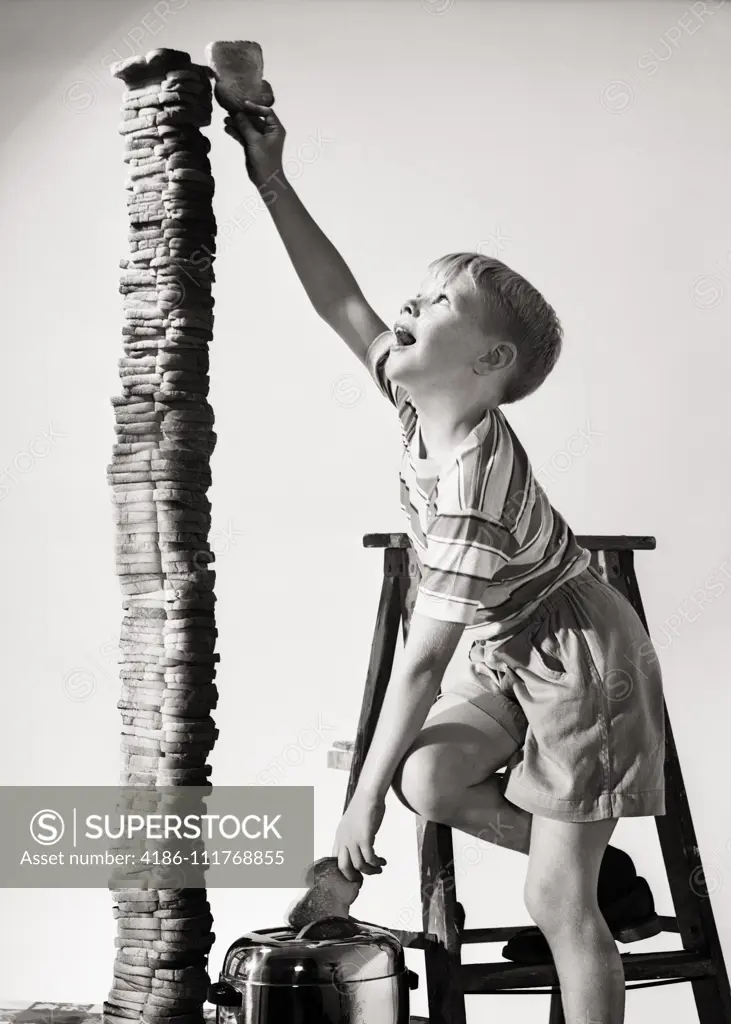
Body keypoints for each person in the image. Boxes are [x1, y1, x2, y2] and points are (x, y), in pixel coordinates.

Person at [223, 98, 666, 1024]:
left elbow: (422, 663)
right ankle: (597, 862)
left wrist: (358, 806)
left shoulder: (472, 483)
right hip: (518, 648)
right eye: (415, 295)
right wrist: (270, 178)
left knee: (554, 904)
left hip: (586, 663)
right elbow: (339, 300)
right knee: (433, 779)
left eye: (438, 305)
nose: (408, 307)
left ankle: (577, 881)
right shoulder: (419, 399)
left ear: (488, 360)